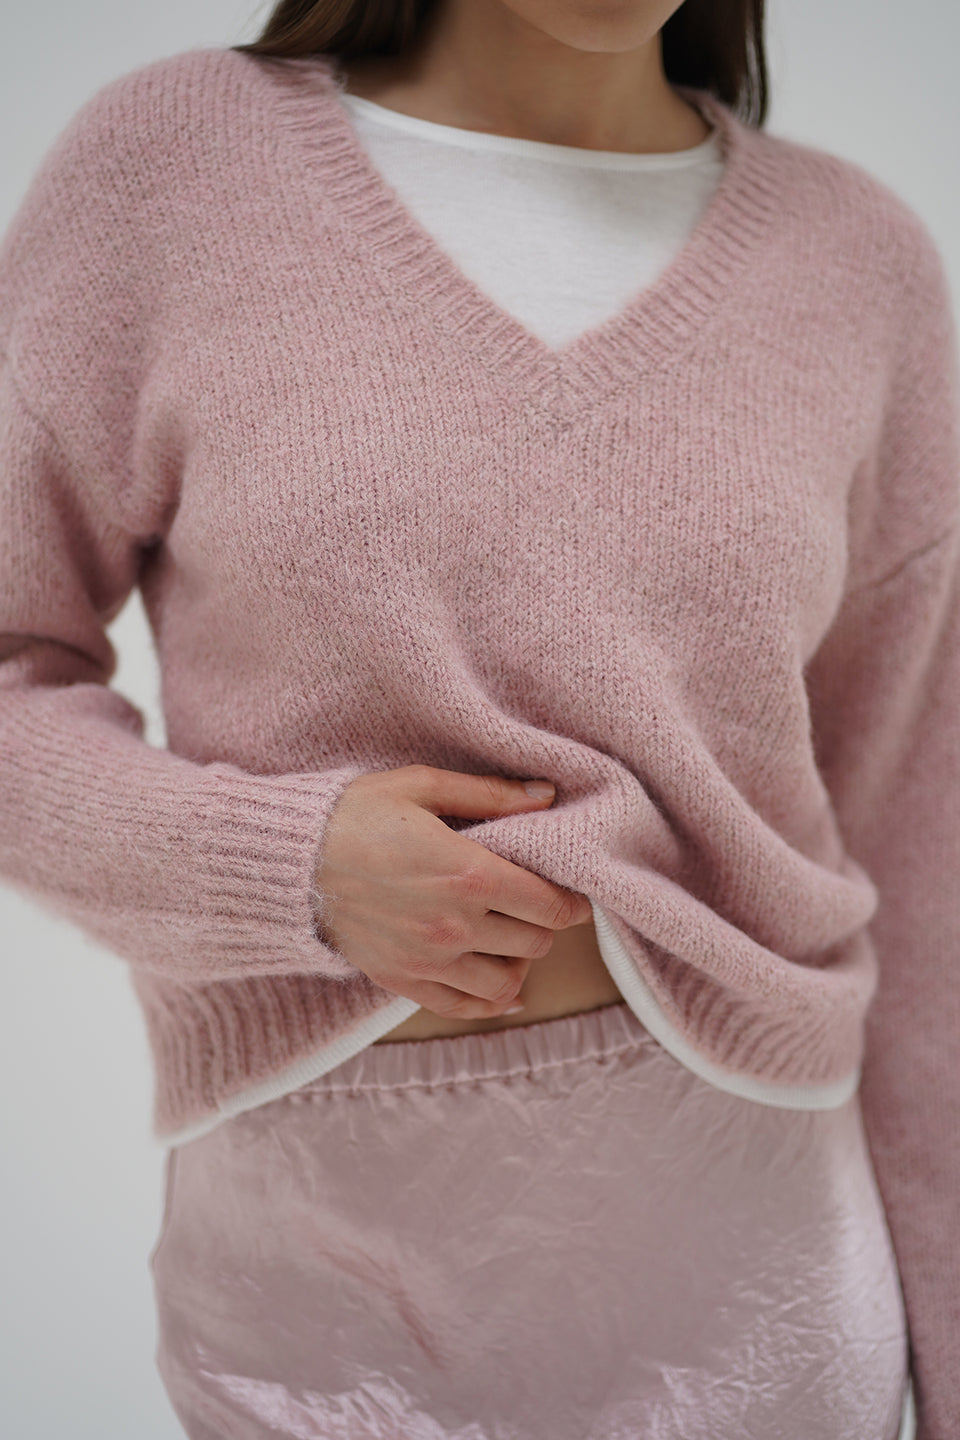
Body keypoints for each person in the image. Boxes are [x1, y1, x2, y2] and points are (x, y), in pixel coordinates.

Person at [1, 0, 956, 1434]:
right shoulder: (175, 167)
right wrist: (286, 862)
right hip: (320, 1282)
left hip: (760, 1260)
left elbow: (922, 839)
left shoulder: (859, 259)